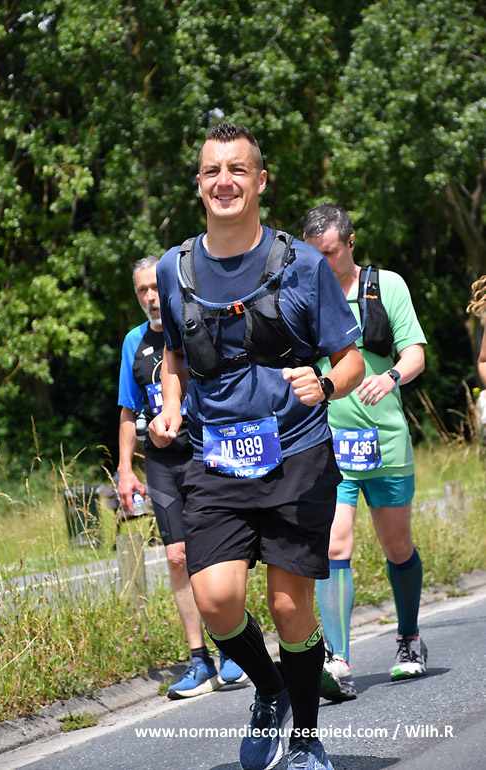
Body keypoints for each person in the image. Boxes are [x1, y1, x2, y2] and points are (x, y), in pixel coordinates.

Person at [149, 123, 365, 770]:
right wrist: (171, 405)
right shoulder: (174, 268)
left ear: (261, 181)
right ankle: (269, 692)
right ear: (198, 184)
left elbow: (350, 360)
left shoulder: (303, 264)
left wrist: (324, 384)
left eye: (238, 170)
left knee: (289, 606)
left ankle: (304, 740)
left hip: (297, 453)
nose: (225, 181)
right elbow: (174, 355)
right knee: (216, 600)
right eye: (213, 171)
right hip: (217, 456)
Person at [301, 204, 427, 702]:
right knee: (334, 546)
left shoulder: (387, 285)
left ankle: (409, 637)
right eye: (314, 255)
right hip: (330, 444)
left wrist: (391, 376)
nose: (323, 263)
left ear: (350, 243)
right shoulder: (303, 296)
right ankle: (338, 660)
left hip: (385, 441)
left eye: (330, 253)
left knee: (397, 547)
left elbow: (415, 352)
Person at [117, 256, 246, 699]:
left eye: (156, 287)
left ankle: (232, 647)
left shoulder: (193, 324)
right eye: (142, 290)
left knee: (213, 552)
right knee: (176, 557)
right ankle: (199, 659)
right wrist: (125, 470)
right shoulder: (133, 342)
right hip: (161, 460)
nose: (151, 297)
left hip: (203, 451)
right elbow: (128, 411)